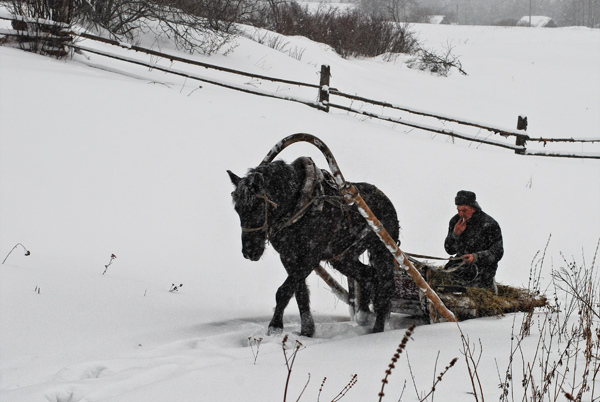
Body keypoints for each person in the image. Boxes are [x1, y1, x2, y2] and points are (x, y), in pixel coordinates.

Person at [443, 190, 504, 293]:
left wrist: (476, 257)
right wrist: (455, 235)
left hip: (483, 269)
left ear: (473, 208)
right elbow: (449, 250)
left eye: (464, 210)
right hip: (460, 265)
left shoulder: (489, 224)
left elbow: (498, 252)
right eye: (458, 210)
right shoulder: (455, 221)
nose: (461, 214)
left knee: (470, 290)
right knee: (443, 284)